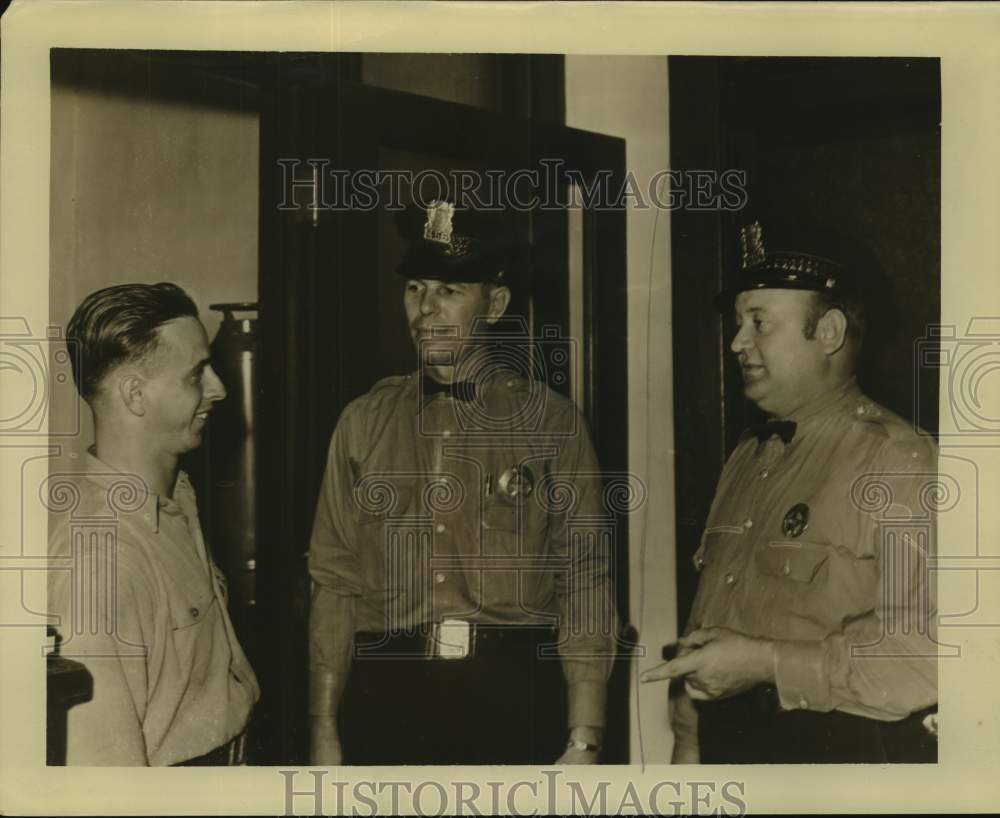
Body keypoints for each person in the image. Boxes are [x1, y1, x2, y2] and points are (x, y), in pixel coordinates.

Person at [308, 202, 617, 765]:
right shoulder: (362, 422)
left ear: (494, 304)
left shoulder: (552, 422)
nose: (425, 310)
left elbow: (586, 578)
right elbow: (333, 580)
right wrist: (323, 727)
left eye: (449, 290)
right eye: (415, 289)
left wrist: (584, 736)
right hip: (386, 693)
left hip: (513, 694)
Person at [642, 216, 939, 764]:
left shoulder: (899, 461)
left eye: (759, 323)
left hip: (836, 760)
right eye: (738, 323)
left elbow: (927, 657)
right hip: (727, 754)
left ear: (827, 333)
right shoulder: (748, 457)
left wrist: (765, 663)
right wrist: (687, 746)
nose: (736, 342)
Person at [47, 283, 259, 765]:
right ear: (135, 395)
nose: (219, 389)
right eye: (196, 375)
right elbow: (104, 776)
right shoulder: (99, 559)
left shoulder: (173, 500)